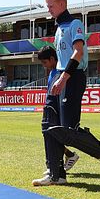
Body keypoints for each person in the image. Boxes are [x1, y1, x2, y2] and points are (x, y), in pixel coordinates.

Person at [31, 0, 100, 186]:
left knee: (68, 130)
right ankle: (56, 174)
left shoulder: (75, 24)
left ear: (62, 4)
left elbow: (78, 53)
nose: (48, 10)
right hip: (60, 77)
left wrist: (63, 78)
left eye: (51, 6)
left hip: (72, 77)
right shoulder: (59, 28)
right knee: (48, 124)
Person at [35, 46, 80, 181]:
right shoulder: (52, 72)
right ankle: (66, 158)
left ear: (52, 59)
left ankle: (56, 168)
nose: (44, 66)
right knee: (52, 135)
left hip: (57, 107)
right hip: (51, 107)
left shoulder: (61, 73)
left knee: (54, 134)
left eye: (45, 63)